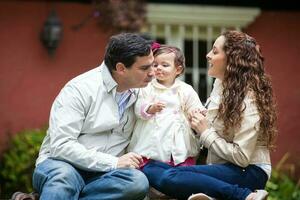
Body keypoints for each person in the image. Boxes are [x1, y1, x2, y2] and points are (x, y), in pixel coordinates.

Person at [12, 33, 155, 200]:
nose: (153, 73)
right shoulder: (79, 89)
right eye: (145, 68)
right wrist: (113, 163)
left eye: (152, 65)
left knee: (137, 182)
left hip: (105, 176)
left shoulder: (143, 92)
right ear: (121, 68)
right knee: (63, 179)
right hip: (63, 164)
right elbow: (61, 145)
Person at [142, 30, 277, 200]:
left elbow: (242, 157)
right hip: (219, 167)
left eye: (214, 51)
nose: (207, 55)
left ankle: (244, 196)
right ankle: (211, 195)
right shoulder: (221, 84)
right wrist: (199, 118)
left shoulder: (249, 100)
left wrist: (205, 131)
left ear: (232, 59)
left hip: (249, 171)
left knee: (170, 176)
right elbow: (214, 125)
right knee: (146, 168)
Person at [128, 44, 205, 168]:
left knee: (181, 162)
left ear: (178, 70)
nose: (159, 68)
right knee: (151, 159)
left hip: (177, 135)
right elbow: (139, 105)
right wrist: (150, 108)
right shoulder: (148, 87)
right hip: (153, 134)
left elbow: (194, 105)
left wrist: (197, 111)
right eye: (155, 65)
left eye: (165, 65)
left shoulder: (185, 89)